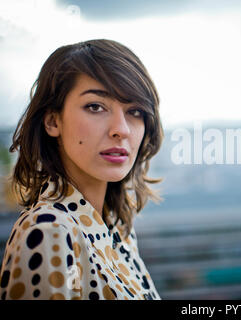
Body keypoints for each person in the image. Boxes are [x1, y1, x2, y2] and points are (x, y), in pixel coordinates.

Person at [0, 39, 164, 300]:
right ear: (53, 121)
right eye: (95, 107)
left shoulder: (117, 230)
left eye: (134, 111)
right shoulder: (49, 231)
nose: (121, 129)